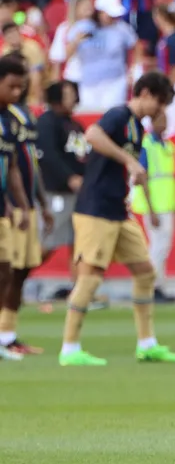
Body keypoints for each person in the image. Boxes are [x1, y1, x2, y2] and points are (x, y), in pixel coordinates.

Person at [60, 71, 175, 367]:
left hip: (118, 209)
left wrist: (146, 201)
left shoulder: (137, 129)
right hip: (95, 209)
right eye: (160, 103)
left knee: (145, 271)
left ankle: (147, 343)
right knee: (89, 278)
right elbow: (92, 135)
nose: (161, 110)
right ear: (145, 94)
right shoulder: (118, 115)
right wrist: (128, 160)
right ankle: (70, 347)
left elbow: (133, 171)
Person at [0, 80, 52, 355]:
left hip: (22, 204)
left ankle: (7, 335)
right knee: (8, 271)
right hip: (13, 206)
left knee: (16, 272)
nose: (20, 90)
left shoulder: (22, 116)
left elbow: (26, 164)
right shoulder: (10, 119)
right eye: (14, 84)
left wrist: (39, 202)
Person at [35, 80, 86, 309]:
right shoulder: (47, 122)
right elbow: (48, 155)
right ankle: (15, 277)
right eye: (68, 94)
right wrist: (69, 177)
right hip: (57, 192)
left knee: (78, 242)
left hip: (78, 194)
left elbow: (83, 155)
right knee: (48, 242)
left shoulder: (75, 125)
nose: (73, 98)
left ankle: (79, 290)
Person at [129, 109, 175, 304]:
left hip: (167, 203)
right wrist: (151, 209)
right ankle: (150, 286)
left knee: (163, 247)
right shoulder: (146, 145)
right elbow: (142, 177)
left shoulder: (168, 146)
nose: (164, 123)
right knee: (157, 246)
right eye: (160, 119)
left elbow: (169, 178)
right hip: (155, 205)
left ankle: (158, 286)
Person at [68, 0, 138, 112]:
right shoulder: (83, 27)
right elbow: (66, 54)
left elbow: (136, 46)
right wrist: (76, 41)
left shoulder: (121, 28)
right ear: (99, 12)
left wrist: (133, 69)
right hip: (89, 84)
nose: (112, 18)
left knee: (113, 116)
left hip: (115, 82)